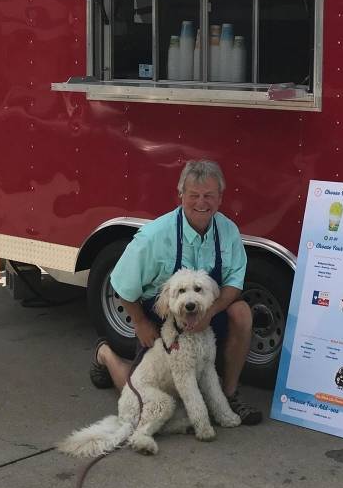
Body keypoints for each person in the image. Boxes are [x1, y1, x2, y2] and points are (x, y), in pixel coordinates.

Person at [90, 159, 262, 425]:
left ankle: (229, 395)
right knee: (140, 386)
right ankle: (106, 355)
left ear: (220, 198)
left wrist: (211, 312)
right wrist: (140, 323)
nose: (201, 203)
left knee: (241, 311)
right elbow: (122, 283)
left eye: (209, 196)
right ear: (181, 195)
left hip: (207, 311)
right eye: (194, 195)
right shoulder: (155, 236)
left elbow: (234, 284)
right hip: (161, 316)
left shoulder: (228, 231)